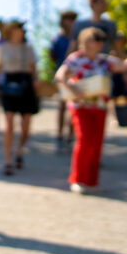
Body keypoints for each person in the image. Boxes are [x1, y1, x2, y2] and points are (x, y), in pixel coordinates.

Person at [55, 27, 127, 193]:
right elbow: (60, 75)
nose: (99, 44)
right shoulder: (75, 59)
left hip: (100, 106)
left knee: (96, 144)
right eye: (96, 40)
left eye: (101, 41)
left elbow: (126, 65)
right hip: (81, 107)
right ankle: (78, 179)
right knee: (84, 140)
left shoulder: (103, 61)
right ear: (86, 41)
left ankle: (91, 182)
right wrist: (73, 89)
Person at [0, 20, 39, 176]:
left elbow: (34, 70)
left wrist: (37, 84)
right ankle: (8, 160)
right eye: (17, 28)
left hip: (26, 85)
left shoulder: (28, 48)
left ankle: (19, 150)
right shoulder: (1, 48)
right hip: (9, 85)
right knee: (9, 123)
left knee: (26, 126)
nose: (20, 31)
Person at [50, 10, 78, 152]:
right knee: (62, 106)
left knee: (73, 107)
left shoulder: (77, 38)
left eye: (72, 19)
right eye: (68, 19)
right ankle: (59, 136)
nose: (71, 22)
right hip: (62, 76)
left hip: (75, 76)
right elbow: (52, 55)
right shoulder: (58, 38)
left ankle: (70, 137)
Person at [109, 31, 127, 100]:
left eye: (121, 40)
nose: (119, 42)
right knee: (114, 95)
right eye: (117, 40)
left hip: (125, 75)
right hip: (114, 76)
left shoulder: (126, 51)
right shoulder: (111, 52)